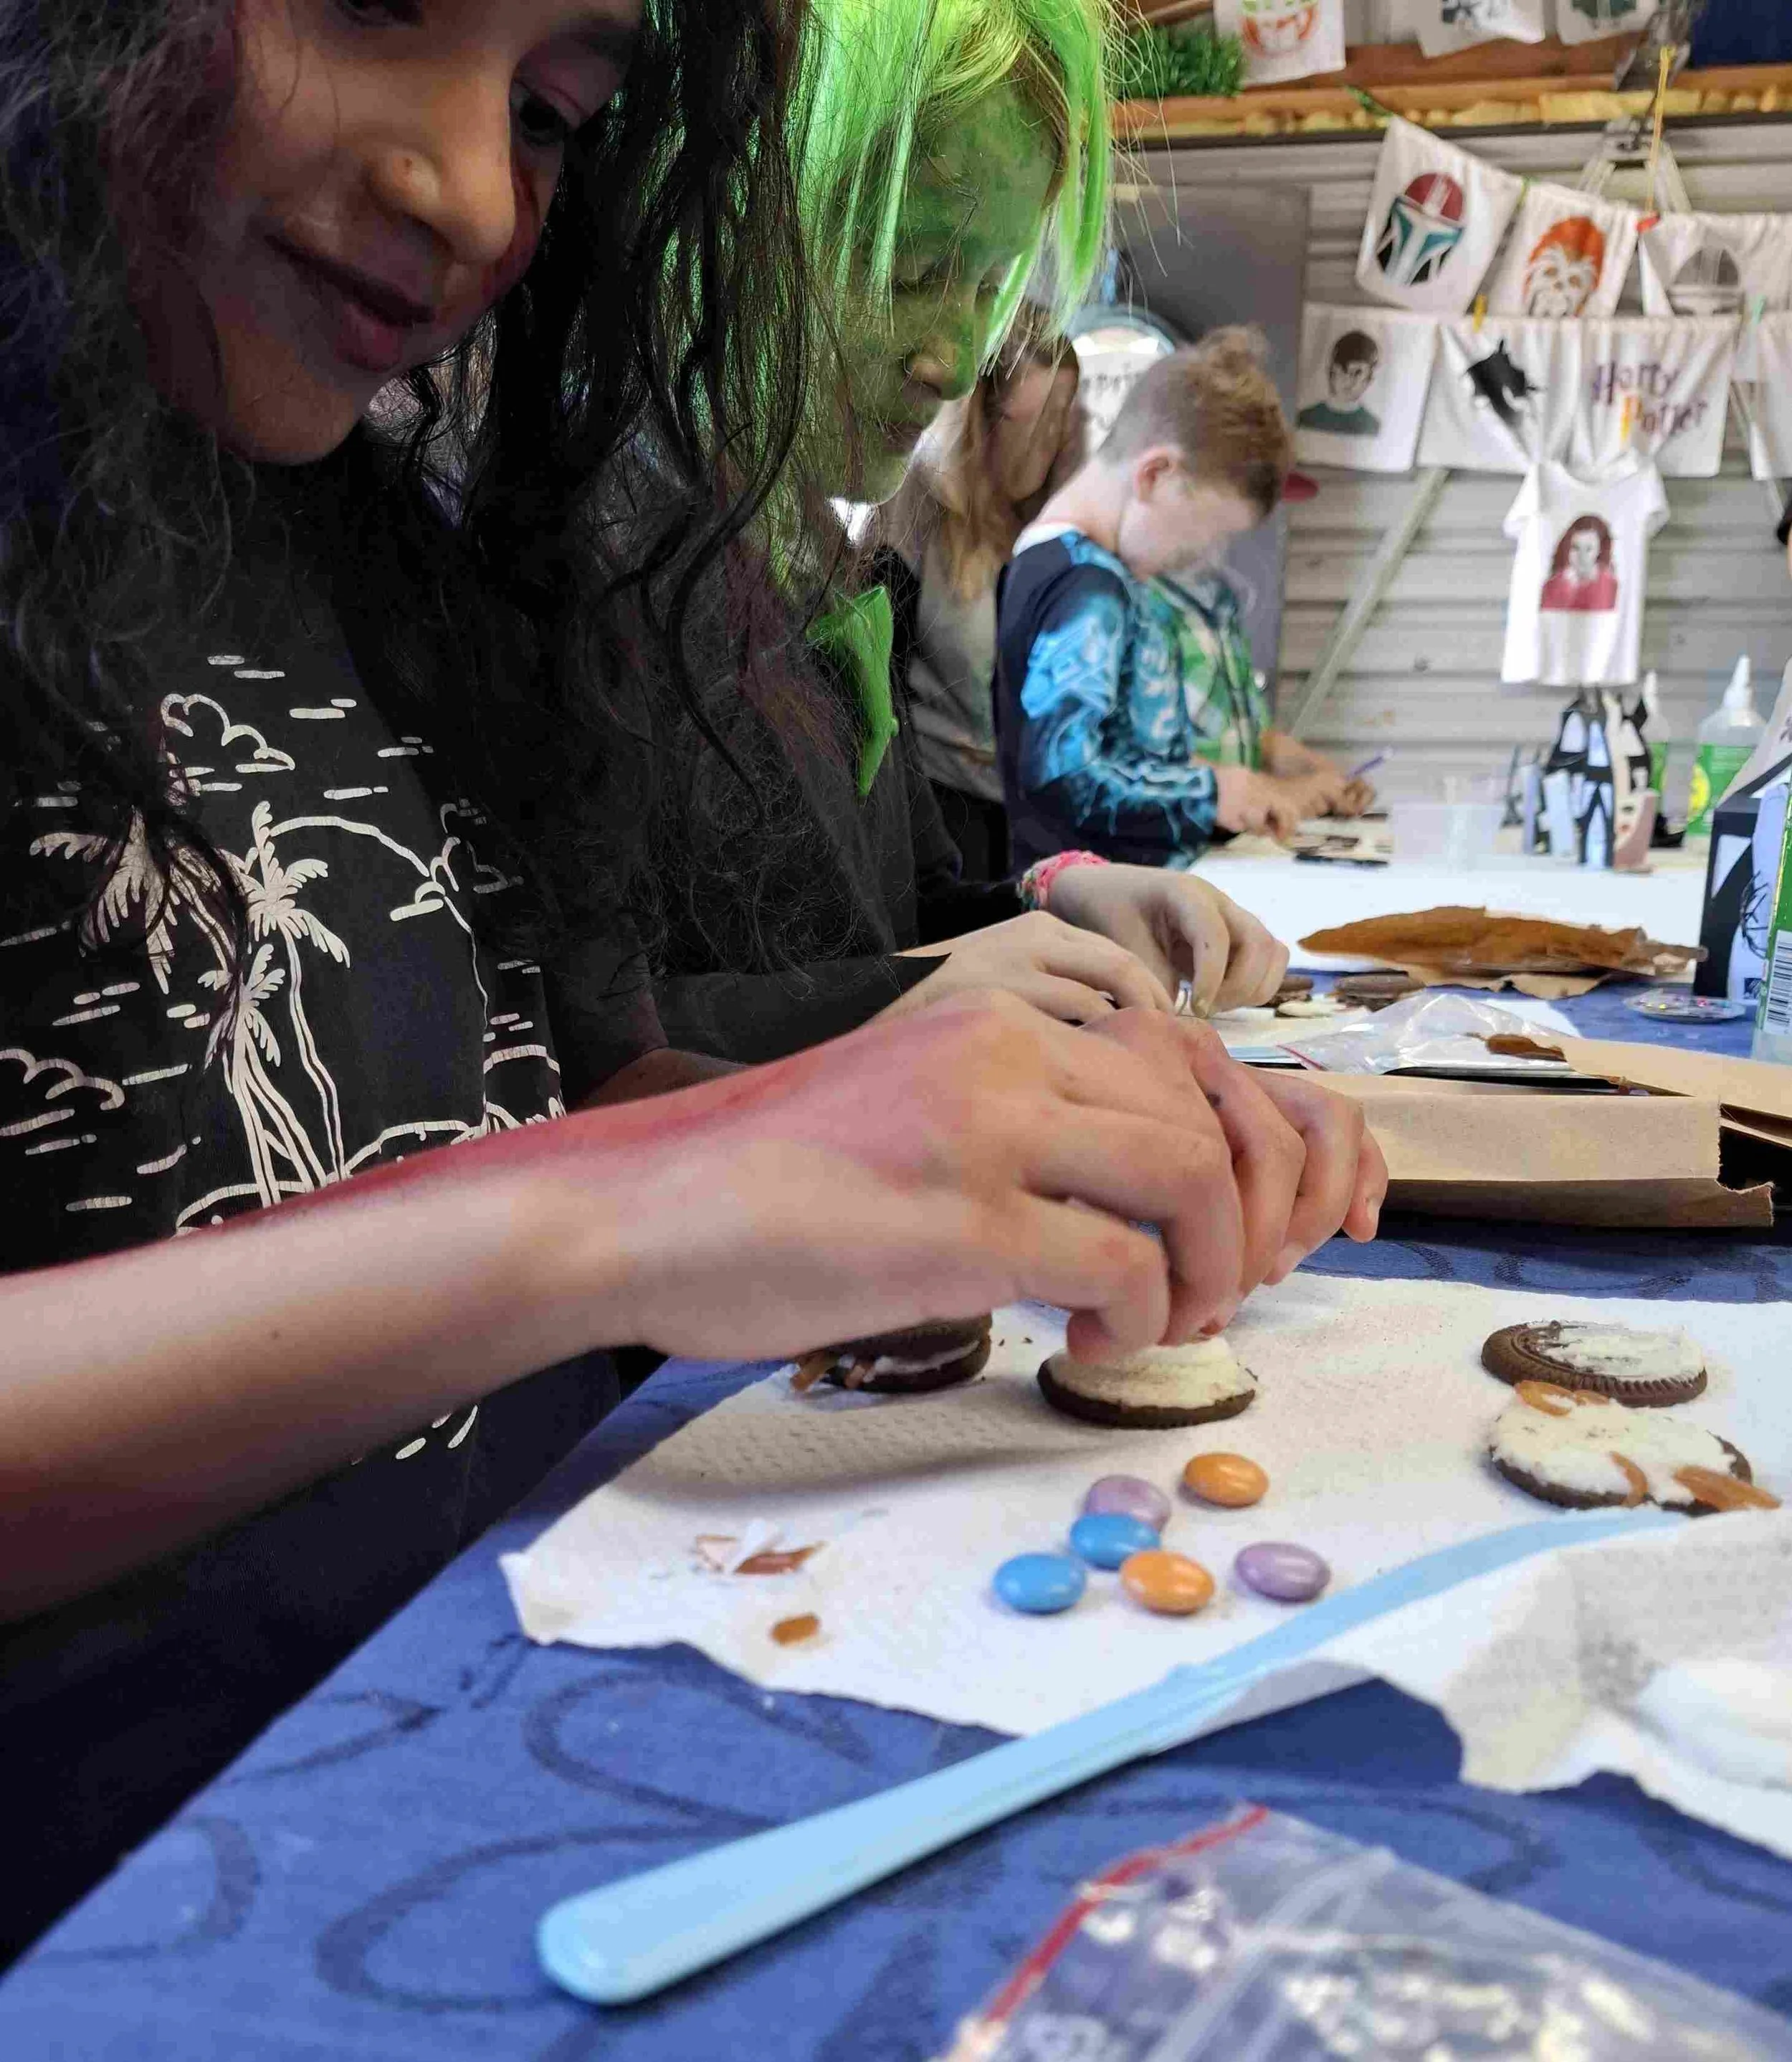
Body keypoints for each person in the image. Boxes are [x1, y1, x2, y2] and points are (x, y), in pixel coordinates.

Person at [0, 0, 1384, 1960]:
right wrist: (631, 1206)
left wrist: (947, 1124)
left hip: (496, 1736)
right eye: (372, 4)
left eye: (554, 111)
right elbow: (587, 1180)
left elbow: (560, 1083)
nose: (472, 189)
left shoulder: (398, 561)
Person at [642, 0, 1303, 1060]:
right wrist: (909, 993)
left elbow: (910, 912)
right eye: (908, 272)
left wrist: (1064, 898)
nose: (951, 363)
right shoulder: (598, 567)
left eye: (989, 286)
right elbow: (580, 1045)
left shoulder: (822, 560)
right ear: (736, 215)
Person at [995, 331, 1370, 873]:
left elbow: (1125, 751)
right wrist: (1211, 791)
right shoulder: (1087, 586)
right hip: (1091, 907)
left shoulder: (1086, 570)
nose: (1202, 557)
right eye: (1203, 535)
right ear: (1155, 474)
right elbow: (1063, 772)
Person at [865, 309, 1087, 881]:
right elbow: (880, 688)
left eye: (1061, 419)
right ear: (982, 415)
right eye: (1033, 423)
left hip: (1028, 814)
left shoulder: (1054, 529)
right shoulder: (915, 502)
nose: (1048, 443)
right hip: (941, 811)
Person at [1297, 331, 1381, 438]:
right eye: (1342, 370)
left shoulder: (1373, 427)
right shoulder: (1306, 419)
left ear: (1369, 379)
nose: (1348, 380)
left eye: (1357, 373)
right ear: (1331, 371)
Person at [1540, 515, 1620, 614]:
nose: (1582, 556)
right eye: (1576, 548)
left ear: (1599, 551)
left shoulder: (1610, 585)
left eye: (1589, 549)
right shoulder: (1552, 586)